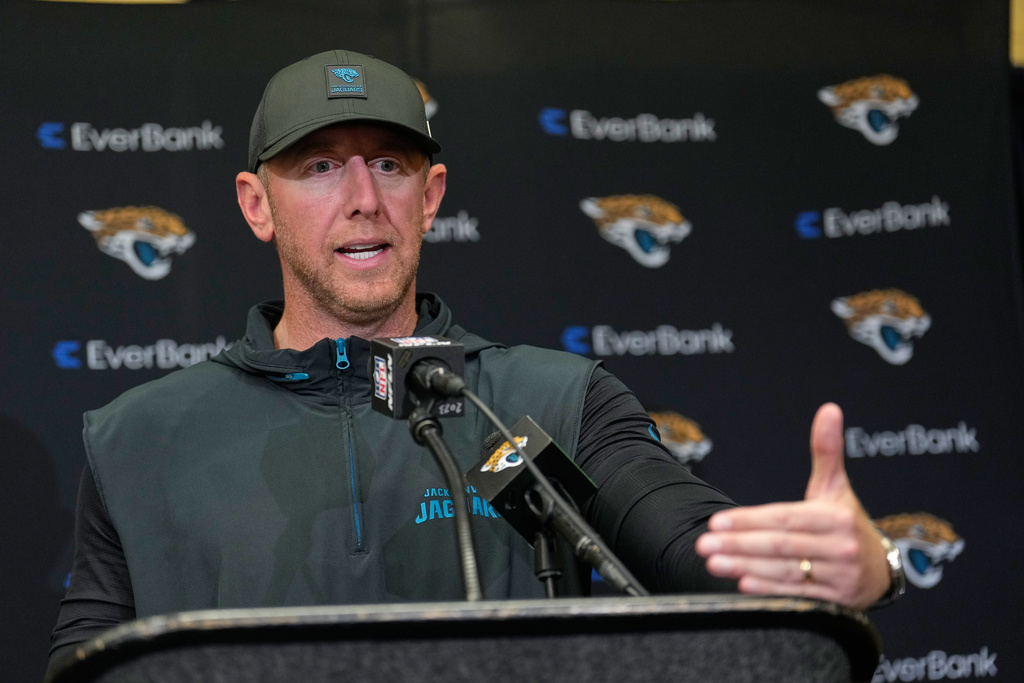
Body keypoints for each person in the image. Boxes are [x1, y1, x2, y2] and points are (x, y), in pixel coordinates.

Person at [48, 48, 902, 668]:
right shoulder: (137, 438)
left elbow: (688, 543)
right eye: (319, 167)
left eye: (389, 163)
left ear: (432, 196)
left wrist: (838, 565)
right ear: (256, 205)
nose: (361, 200)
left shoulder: (556, 399)